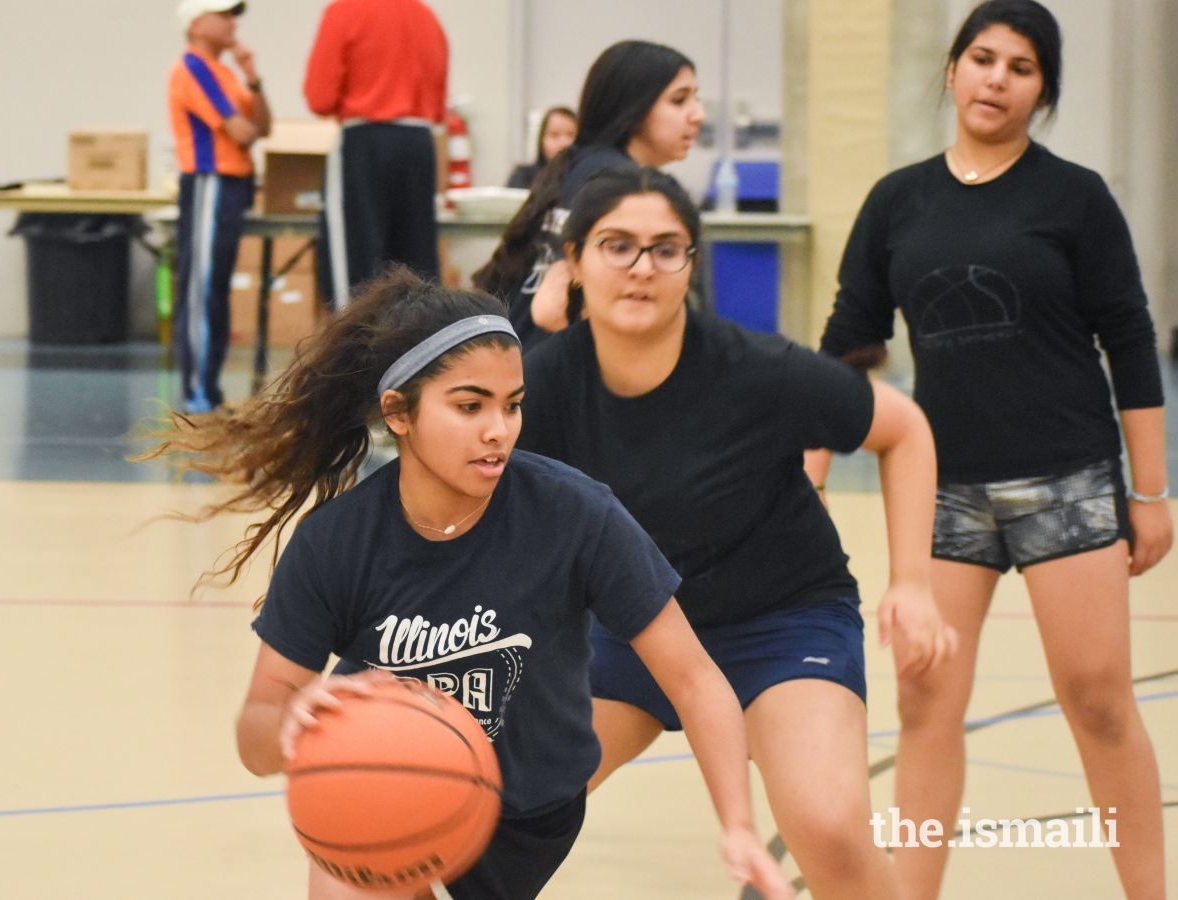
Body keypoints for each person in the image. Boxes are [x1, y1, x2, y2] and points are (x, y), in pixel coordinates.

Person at [144, 269, 793, 900]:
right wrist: (288, 723)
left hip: (530, 812)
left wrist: (738, 825)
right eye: (469, 405)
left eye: (512, 405)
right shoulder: (336, 543)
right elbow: (255, 738)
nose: (498, 429)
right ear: (398, 413)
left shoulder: (576, 515)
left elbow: (695, 680)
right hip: (383, 787)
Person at [517, 167, 956, 900]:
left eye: (666, 249)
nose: (640, 268)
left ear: (691, 265)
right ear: (574, 265)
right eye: (616, 245)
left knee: (830, 826)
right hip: (633, 635)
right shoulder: (545, 386)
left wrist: (912, 584)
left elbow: (903, 429)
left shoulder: (756, 371)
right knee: (497, 808)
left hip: (779, 624)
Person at [816, 3, 1172, 898]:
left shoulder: (1076, 196)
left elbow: (1131, 339)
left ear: (1041, 91)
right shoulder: (899, 200)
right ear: (952, 69)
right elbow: (845, 349)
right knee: (927, 703)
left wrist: (1152, 492)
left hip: (1070, 481)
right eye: (982, 58)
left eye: (1020, 67)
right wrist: (808, 479)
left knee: (1097, 700)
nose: (996, 79)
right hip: (941, 491)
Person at [474, 40, 705, 348]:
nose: (698, 115)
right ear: (634, 108)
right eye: (679, 100)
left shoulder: (585, 163)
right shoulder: (615, 182)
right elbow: (550, 311)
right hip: (544, 367)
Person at [304, 0, 447, 302]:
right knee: (416, 269)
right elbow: (439, 96)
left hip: (365, 142)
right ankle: (419, 347)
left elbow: (320, 96)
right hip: (419, 143)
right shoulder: (426, 16)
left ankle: (353, 347)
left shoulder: (345, 11)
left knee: (356, 271)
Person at [169, 0, 270, 414]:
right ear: (197, 22)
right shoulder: (193, 67)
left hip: (232, 186)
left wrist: (254, 79)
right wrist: (247, 127)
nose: (233, 22)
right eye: (224, 13)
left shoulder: (226, 73)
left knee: (216, 292)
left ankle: (209, 389)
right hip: (209, 184)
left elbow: (263, 126)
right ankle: (198, 392)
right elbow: (243, 132)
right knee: (202, 290)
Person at [506, 107, 578, 190]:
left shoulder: (586, 179)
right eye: (554, 135)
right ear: (541, 140)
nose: (563, 143)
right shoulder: (524, 177)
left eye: (571, 134)